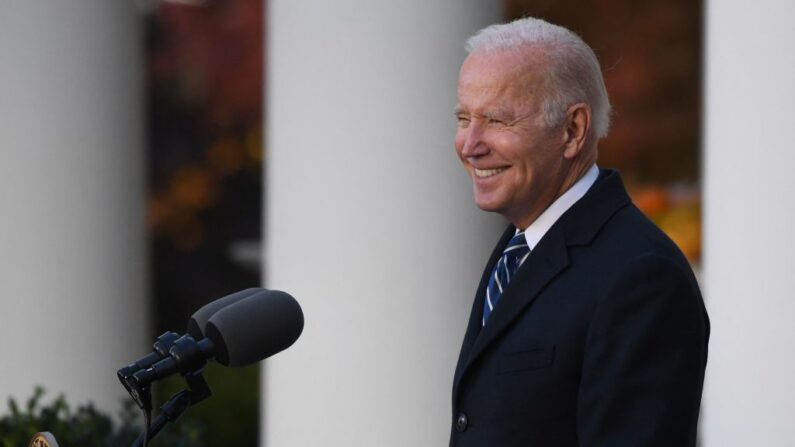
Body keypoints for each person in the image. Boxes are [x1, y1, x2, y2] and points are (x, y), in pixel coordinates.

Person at [450, 17, 709, 447]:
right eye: (464, 118)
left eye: (496, 120)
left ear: (572, 130)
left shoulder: (641, 277)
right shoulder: (519, 248)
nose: (470, 144)